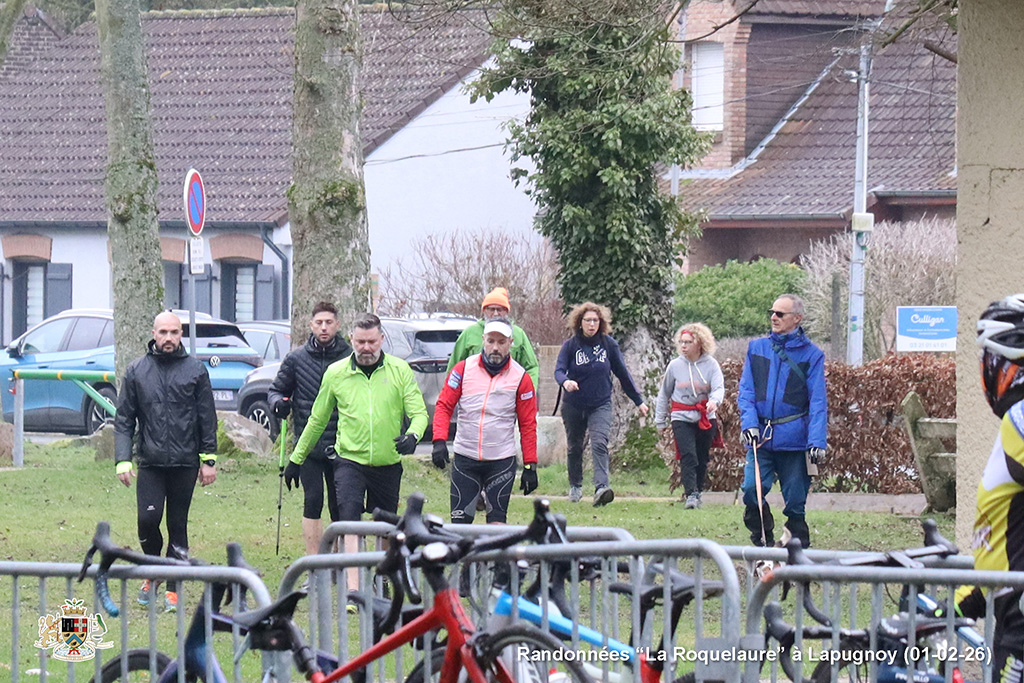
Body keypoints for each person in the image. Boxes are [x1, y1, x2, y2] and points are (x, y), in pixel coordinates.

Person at [285, 313, 427, 578]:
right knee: (350, 523)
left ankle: (382, 580)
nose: (366, 348)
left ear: (381, 339)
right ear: (351, 339)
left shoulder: (399, 370)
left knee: (385, 528)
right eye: (360, 342)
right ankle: (352, 588)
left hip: (387, 462)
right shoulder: (336, 373)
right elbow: (317, 419)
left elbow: (419, 413)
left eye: (371, 342)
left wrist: (412, 436)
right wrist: (297, 458)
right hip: (349, 461)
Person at [114, 311, 218, 612]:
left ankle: (173, 586)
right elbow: (124, 419)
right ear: (154, 334)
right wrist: (123, 459)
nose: (169, 338)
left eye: (174, 332)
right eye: (163, 332)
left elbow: (206, 417)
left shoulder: (196, 370)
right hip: (151, 462)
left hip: (185, 462)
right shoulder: (136, 371)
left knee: (177, 524)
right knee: (147, 521)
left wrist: (208, 459)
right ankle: (154, 571)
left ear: (181, 334)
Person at [952, 293, 1024, 680]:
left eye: (988, 360)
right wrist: (956, 603)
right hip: (1008, 613)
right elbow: (1004, 548)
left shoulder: (1021, 418)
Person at [737, 294, 827, 549]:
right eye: (772, 312)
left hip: (795, 440)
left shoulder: (812, 355)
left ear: (797, 318)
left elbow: (818, 401)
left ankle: (796, 549)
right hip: (761, 438)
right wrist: (749, 424)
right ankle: (762, 539)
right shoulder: (757, 348)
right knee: (751, 490)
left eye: (780, 314)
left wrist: (817, 442)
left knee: (796, 502)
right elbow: (746, 391)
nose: (773, 317)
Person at [431, 317, 539, 524]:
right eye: (491, 341)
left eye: (501, 342)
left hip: (501, 460)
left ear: (511, 343)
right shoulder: (463, 369)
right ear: (483, 340)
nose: (495, 348)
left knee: (496, 526)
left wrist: (530, 465)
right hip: (466, 458)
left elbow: (527, 424)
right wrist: (439, 441)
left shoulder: (521, 377)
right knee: (460, 526)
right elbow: (444, 405)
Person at [267, 301, 353, 555]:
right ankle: (314, 561)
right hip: (308, 445)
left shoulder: (350, 358)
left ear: (337, 325)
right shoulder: (296, 359)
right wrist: (278, 403)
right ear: (311, 325)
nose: (324, 328)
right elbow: (276, 390)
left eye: (329, 323)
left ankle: (339, 559)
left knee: (340, 505)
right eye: (319, 323)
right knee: (312, 500)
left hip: (343, 444)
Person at [554, 302, 648, 507]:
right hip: (573, 404)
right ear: (580, 322)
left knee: (599, 443)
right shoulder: (570, 345)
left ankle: (601, 488)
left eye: (595, 321)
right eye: (587, 320)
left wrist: (638, 401)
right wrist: (566, 382)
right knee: (575, 447)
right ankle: (575, 486)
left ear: (601, 323)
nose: (591, 324)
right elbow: (559, 370)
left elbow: (623, 374)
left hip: (600, 404)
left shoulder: (608, 345)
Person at [655, 323, 725, 510]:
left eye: (688, 342)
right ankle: (690, 494)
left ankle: (698, 491)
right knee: (688, 455)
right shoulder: (675, 366)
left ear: (700, 343)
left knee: (702, 457)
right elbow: (664, 394)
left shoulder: (711, 365)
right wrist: (660, 421)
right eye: (681, 342)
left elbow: (718, 388)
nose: (684, 346)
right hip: (681, 416)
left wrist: (714, 401)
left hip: (705, 417)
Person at [447, 287, 540, 390]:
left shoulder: (518, 334)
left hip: (508, 392)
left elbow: (531, 367)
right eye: (491, 309)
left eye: (499, 309)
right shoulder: (469, 333)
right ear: (484, 310)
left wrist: (528, 392)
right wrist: (453, 392)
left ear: (507, 311)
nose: (496, 313)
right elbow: (454, 367)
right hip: (475, 393)